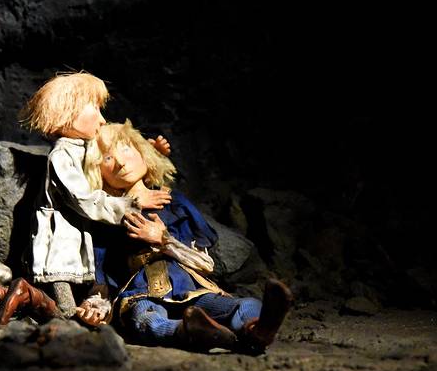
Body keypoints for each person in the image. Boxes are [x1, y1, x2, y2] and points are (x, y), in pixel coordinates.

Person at [76, 120, 293, 355]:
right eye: (107, 158)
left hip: (190, 287)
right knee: (145, 320)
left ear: (143, 153)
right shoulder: (107, 219)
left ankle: (255, 331)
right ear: (97, 171)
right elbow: (101, 276)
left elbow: (205, 262)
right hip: (142, 293)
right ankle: (193, 332)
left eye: (126, 148)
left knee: (247, 304)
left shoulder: (174, 203)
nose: (120, 162)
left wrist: (164, 240)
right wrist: (96, 304)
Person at [0, 72, 171, 325]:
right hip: (62, 241)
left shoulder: (80, 148)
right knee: (65, 312)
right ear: (67, 113)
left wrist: (149, 151)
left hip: (78, 239)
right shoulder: (61, 156)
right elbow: (83, 198)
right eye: (95, 109)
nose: (102, 119)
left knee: (72, 300)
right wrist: (130, 205)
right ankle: (15, 293)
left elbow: (109, 155)